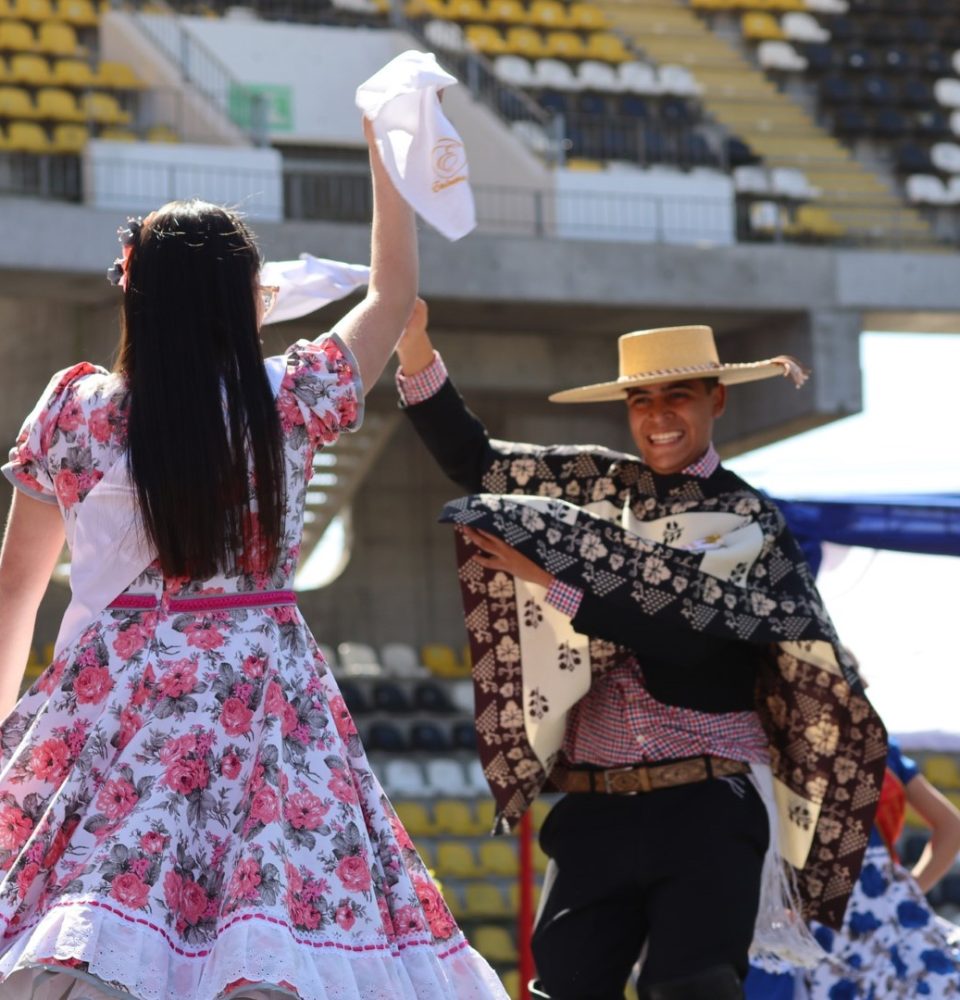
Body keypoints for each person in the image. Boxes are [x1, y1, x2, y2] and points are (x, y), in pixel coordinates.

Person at [0, 121, 508, 1000]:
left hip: (110, 691)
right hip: (262, 691)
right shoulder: (294, 393)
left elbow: (17, 583)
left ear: (135, 293)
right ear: (248, 299)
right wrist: (381, 155)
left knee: (73, 925)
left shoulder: (74, 409)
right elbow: (393, 291)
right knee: (275, 924)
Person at [394, 299, 888, 1000]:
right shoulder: (602, 489)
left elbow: (695, 641)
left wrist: (554, 584)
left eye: (677, 396)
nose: (658, 417)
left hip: (705, 803)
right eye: (642, 399)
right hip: (596, 806)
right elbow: (478, 462)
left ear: (716, 400)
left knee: (692, 991)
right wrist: (413, 346)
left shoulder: (748, 520)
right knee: (564, 992)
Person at [746, 736, 960, 999]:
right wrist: (903, 896)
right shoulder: (874, 746)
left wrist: (905, 894)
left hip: (834, 916)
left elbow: (952, 827)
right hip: (838, 919)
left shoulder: (772, 740)